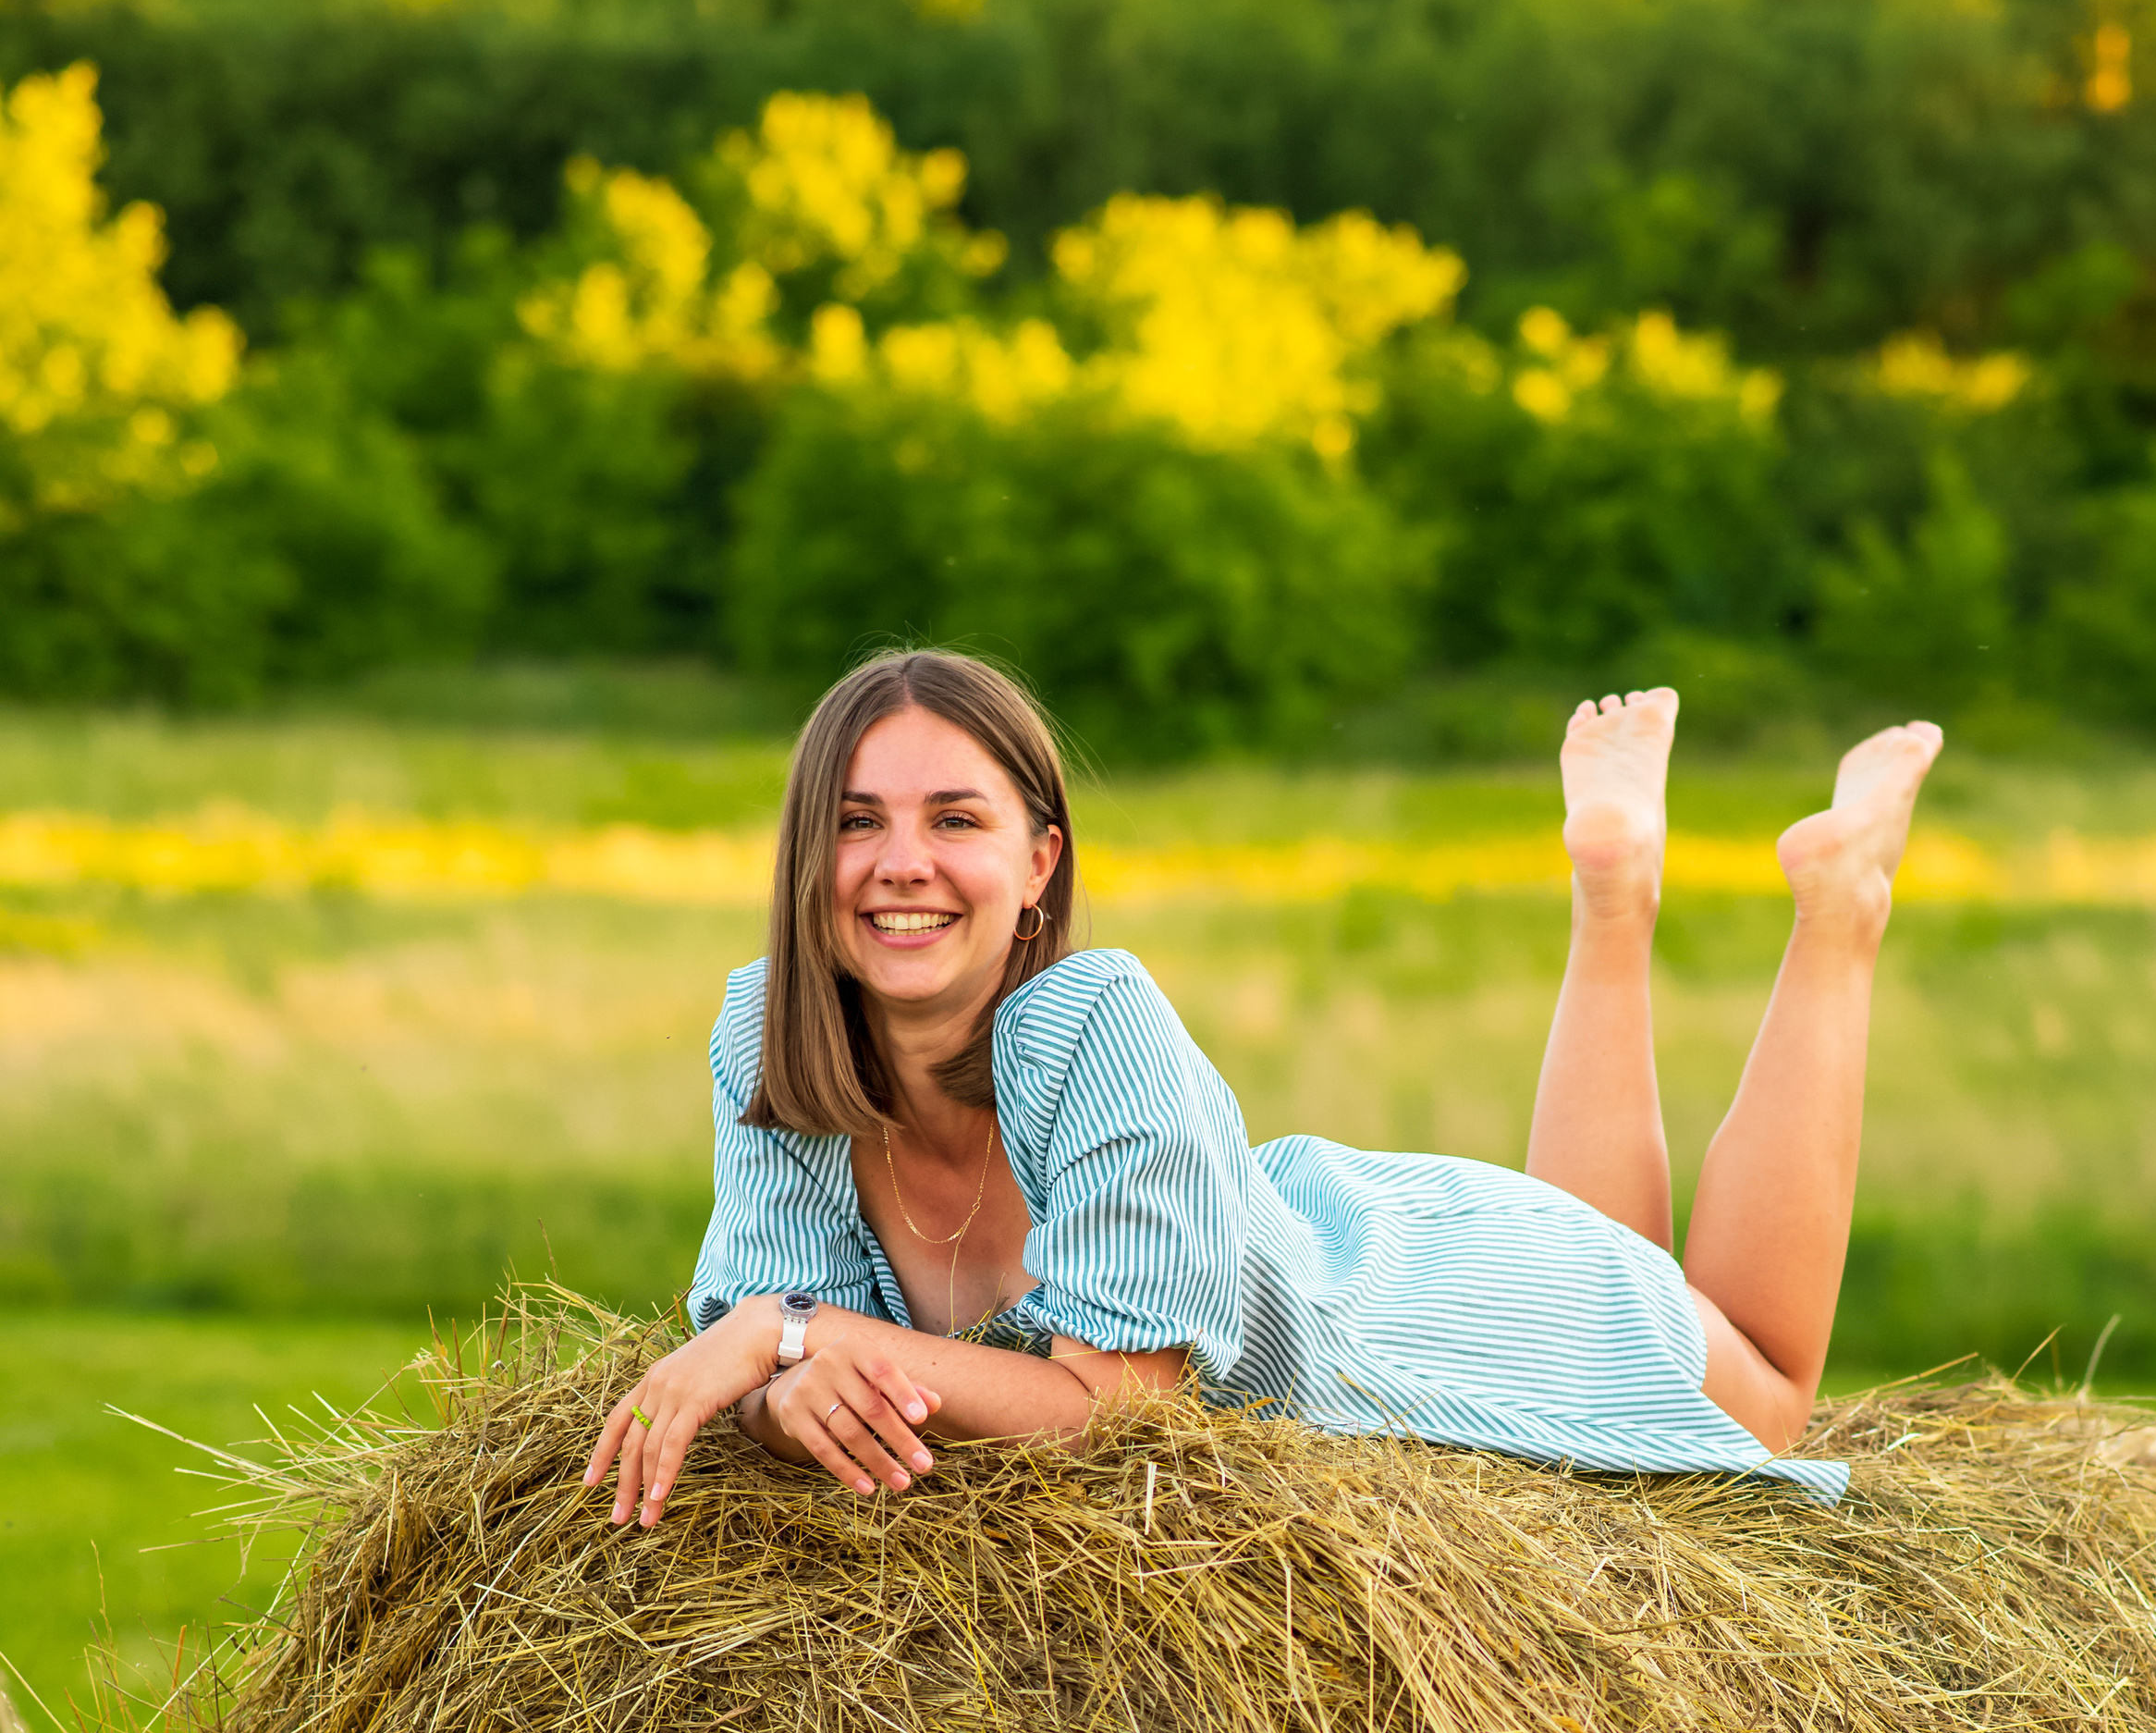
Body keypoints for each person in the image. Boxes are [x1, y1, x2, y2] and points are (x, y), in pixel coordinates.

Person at [584, 647, 1942, 1528]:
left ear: (1041, 864)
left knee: (1757, 1379)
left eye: (956, 821)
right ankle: (1614, 882)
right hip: (1293, 1223)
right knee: (1634, 1266)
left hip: (1417, 1315)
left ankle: (1836, 908)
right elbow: (760, 1346)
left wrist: (800, 1339)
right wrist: (782, 1373)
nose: (900, 863)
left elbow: (1116, 1407)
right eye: (856, 820)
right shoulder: (764, 1031)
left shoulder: (1098, 1017)